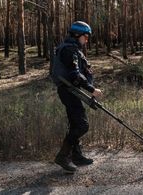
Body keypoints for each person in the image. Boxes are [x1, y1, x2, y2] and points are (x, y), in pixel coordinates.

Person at [51, 21, 103, 173]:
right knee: (82, 125)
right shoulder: (69, 50)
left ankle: (76, 155)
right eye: (85, 37)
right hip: (68, 91)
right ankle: (62, 156)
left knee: (75, 124)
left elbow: (82, 72)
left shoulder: (73, 49)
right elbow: (75, 74)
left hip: (71, 90)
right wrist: (92, 89)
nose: (87, 40)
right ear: (77, 35)